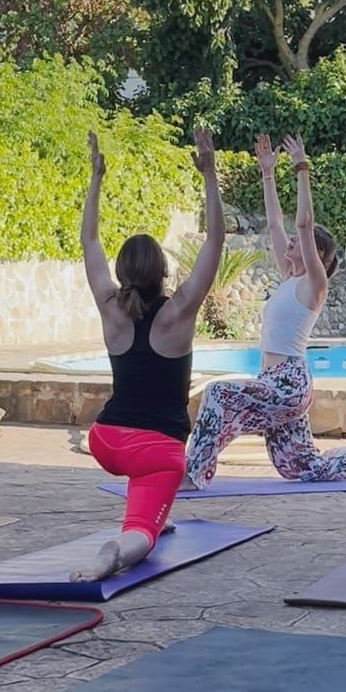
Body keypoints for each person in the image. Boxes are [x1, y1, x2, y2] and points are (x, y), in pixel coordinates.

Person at [184, 132, 346, 486]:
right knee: (302, 468)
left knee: (218, 393)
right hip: (272, 382)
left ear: (316, 255)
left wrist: (301, 167)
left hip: (288, 384)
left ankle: (192, 474)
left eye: (298, 243)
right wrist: (267, 172)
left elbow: (304, 224)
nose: (290, 241)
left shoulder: (313, 285)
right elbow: (276, 223)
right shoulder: (289, 278)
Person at [74, 124, 225, 580]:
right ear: (164, 271)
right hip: (157, 451)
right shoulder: (180, 311)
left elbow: (90, 242)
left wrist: (96, 178)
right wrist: (210, 174)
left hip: (105, 440)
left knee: (150, 494)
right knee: (142, 533)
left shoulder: (110, 307)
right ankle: (118, 549)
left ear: (124, 272)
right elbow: (215, 240)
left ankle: (157, 508)